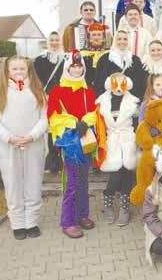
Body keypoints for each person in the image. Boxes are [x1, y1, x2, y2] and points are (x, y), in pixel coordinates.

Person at [0, 55, 47, 240]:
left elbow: (44, 118)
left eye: (23, 69)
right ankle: (18, 223)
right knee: (12, 184)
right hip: (8, 147)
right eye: (15, 69)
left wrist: (32, 135)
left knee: (33, 182)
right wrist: (9, 137)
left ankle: (31, 221)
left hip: (33, 145)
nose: (19, 72)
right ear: (7, 71)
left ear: (29, 70)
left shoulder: (37, 91)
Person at [47, 49, 97, 238]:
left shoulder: (88, 90)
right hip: (69, 142)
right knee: (72, 181)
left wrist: (86, 121)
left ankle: (82, 214)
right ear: (67, 67)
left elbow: (94, 111)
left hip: (85, 140)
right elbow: (53, 116)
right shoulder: (57, 91)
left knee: (84, 181)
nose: (76, 70)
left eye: (79, 66)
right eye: (73, 66)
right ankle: (67, 221)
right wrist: (74, 123)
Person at [96, 73, 139, 226]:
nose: (119, 88)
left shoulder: (133, 102)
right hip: (111, 140)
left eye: (123, 84)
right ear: (109, 84)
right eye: (116, 84)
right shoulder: (102, 101)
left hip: (127, 140)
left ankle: (124, 208)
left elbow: (137, 123)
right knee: (115, 174)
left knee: (126, 173)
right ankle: (108, 203)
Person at [34, 31, 64, 174]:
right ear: (48, 42)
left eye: (57, 40)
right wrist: (42, 92)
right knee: (48, 130)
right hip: (45, 97)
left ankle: (59, 160)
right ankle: (50, 160)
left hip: (61, 98)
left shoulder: (65, 59)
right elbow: (36, 79)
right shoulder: (39, 60)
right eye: (51, 40)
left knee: (59, 129)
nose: (54, 42)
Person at [94, 30, 146, 99]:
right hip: (109, 101)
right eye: (119, 39)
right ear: (114, 41)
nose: (122, 42)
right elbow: (99, 83)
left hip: (130, 102)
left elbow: (140, 83)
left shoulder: (135, 60)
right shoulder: (104, 59)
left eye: (125, 39)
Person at [80, 22, 110, 87]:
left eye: (99, 35)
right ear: (89, 39)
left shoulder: (110, 54)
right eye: (93, 35)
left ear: (103, 39)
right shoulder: (82, 54)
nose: (96, 37)